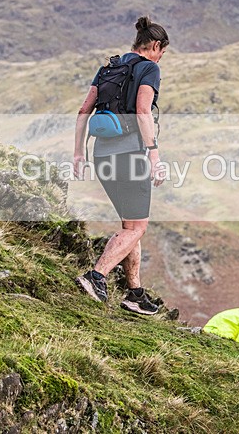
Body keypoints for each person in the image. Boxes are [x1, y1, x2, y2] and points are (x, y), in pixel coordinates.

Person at [73, 16, 169, 315]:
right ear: (155, 46)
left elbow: (84, 110)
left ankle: (134, 293)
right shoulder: (149, 68)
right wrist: (154, 156)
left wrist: (78, 154)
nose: (161, 57)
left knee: (130, 225)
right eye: (163, 52)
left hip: (102, 155)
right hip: (130, 156)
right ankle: (96, 276)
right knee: (137, 227)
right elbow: (142, 111)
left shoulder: (108, 67)